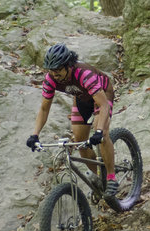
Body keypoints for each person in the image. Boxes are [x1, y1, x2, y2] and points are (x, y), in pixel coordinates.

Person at [26, 43, 119, 196]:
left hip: (102, 95)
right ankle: (96, 180)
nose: (54, 74)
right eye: (51, 70)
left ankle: (111, 177)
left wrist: (99, 131)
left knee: (102, 135)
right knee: (80, 141)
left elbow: (103, 106)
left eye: (58, 70)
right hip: (82, 97)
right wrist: (34, 134)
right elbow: (44, 108)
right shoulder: (51, 79)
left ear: (68, 66)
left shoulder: (84, 74)